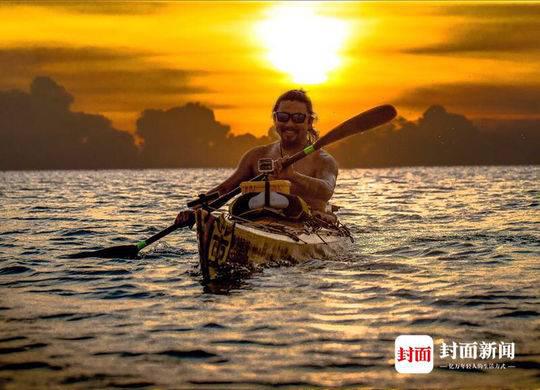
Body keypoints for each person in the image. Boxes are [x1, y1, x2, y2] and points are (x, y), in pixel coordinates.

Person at [175, 89, 338, 225]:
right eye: (283, 117)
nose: (289, 124)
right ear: (275, 119)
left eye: (298, 118)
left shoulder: (324, 161)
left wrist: (293, 176)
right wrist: (195, 212)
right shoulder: (256, 156)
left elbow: (326, 191)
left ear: (309, 122)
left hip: (308, 227)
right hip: (258, 224)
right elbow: (225, 190)